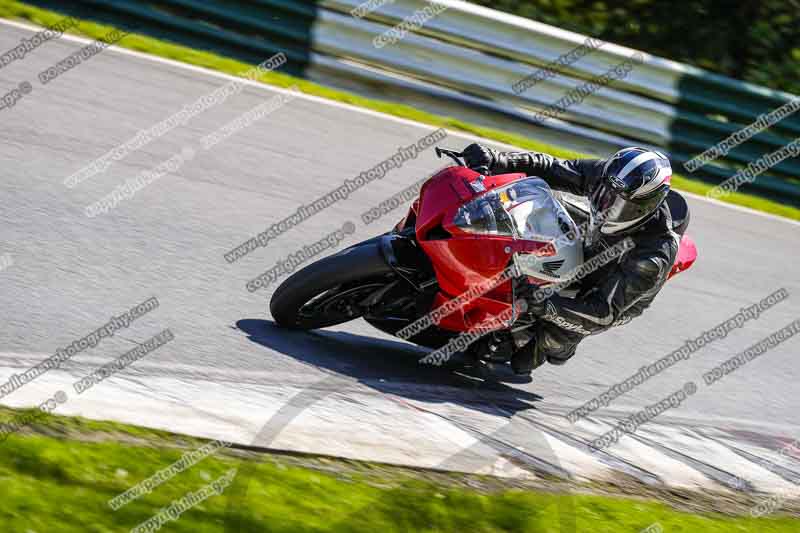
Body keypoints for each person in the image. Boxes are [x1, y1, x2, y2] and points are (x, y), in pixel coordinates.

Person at [462, 144, 682, 375]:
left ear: (647, 207)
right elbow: (551, 167)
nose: (608, 207)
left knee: (530, 356)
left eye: (621, 205)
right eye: (606, 195)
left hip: (616, 290)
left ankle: (556, 347)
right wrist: (498, 160)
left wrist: (546, 305)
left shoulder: (652, 254)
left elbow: (602, 313)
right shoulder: (605, 174)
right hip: (594, 237)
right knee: (536, 203)